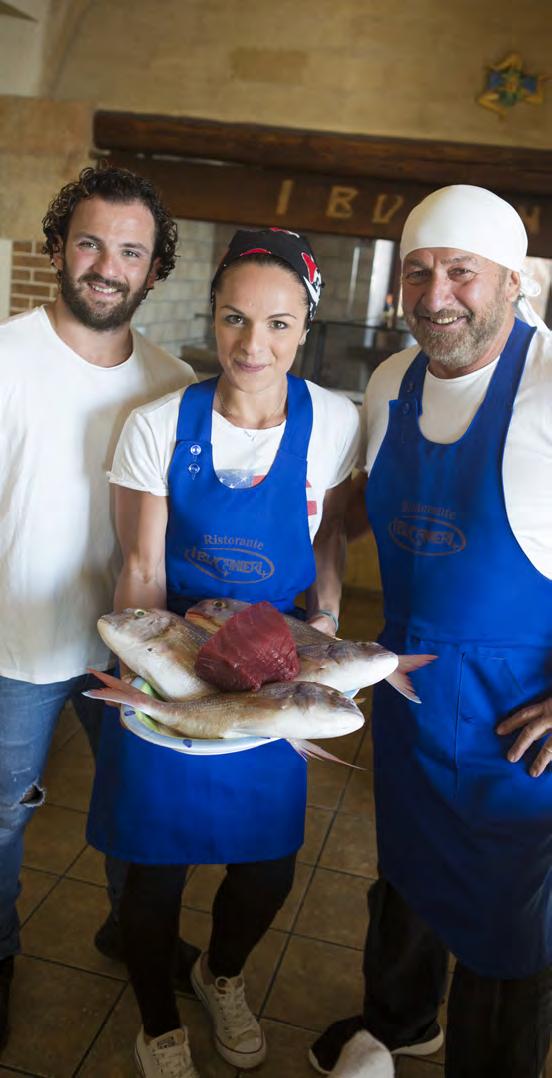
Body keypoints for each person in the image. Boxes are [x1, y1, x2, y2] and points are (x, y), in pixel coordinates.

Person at [86, 226, 360, 1078]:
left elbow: (330, 538)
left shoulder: (337, 422)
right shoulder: (157, 425)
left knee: (268, 867)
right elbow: (138, 568)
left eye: (278, 324)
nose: (253, 344)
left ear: (305, 329)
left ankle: (222, 973)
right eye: (235, 319)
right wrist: (161, 689)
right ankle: (158, 1021)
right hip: (172, 662)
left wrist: (329, 623)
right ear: (213, 317)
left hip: (275, 675)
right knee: (153, 876)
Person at [309, 185, 552, 1078]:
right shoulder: (389, 382)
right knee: (406, 877)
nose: (436, 293)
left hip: (518, 726)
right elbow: (358, 507)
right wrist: (321, 599)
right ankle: (400, 1021)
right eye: (418, 271)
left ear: (512, 283)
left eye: (461, 272)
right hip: (408, 694)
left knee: (508, 930)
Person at [0, 164, 198, 1052]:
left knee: (139, 801)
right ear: (57, 248)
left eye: (130, 251)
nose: (107, 266)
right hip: (14, 641)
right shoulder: (5, 356)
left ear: (154, 270)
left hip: (130, 645)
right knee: (2, 816)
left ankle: (135, 933)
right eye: (90, 243)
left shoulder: (174, 380)